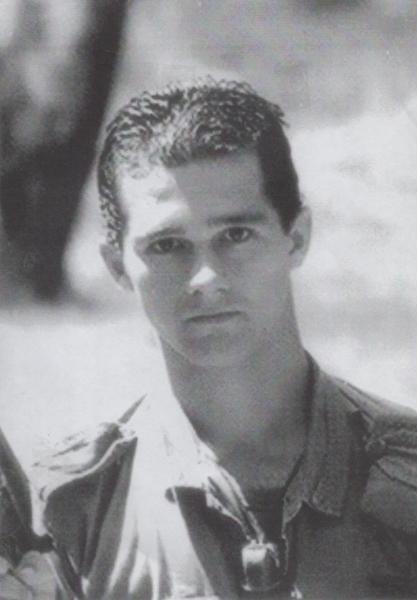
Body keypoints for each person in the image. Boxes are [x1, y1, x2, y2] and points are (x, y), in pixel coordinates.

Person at [31, 79, 417, 599]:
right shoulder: (70, 514)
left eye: (236, 235)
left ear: (296, 238)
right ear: (117, 265)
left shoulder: (407, 475)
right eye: (167, 245)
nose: (206, 277)